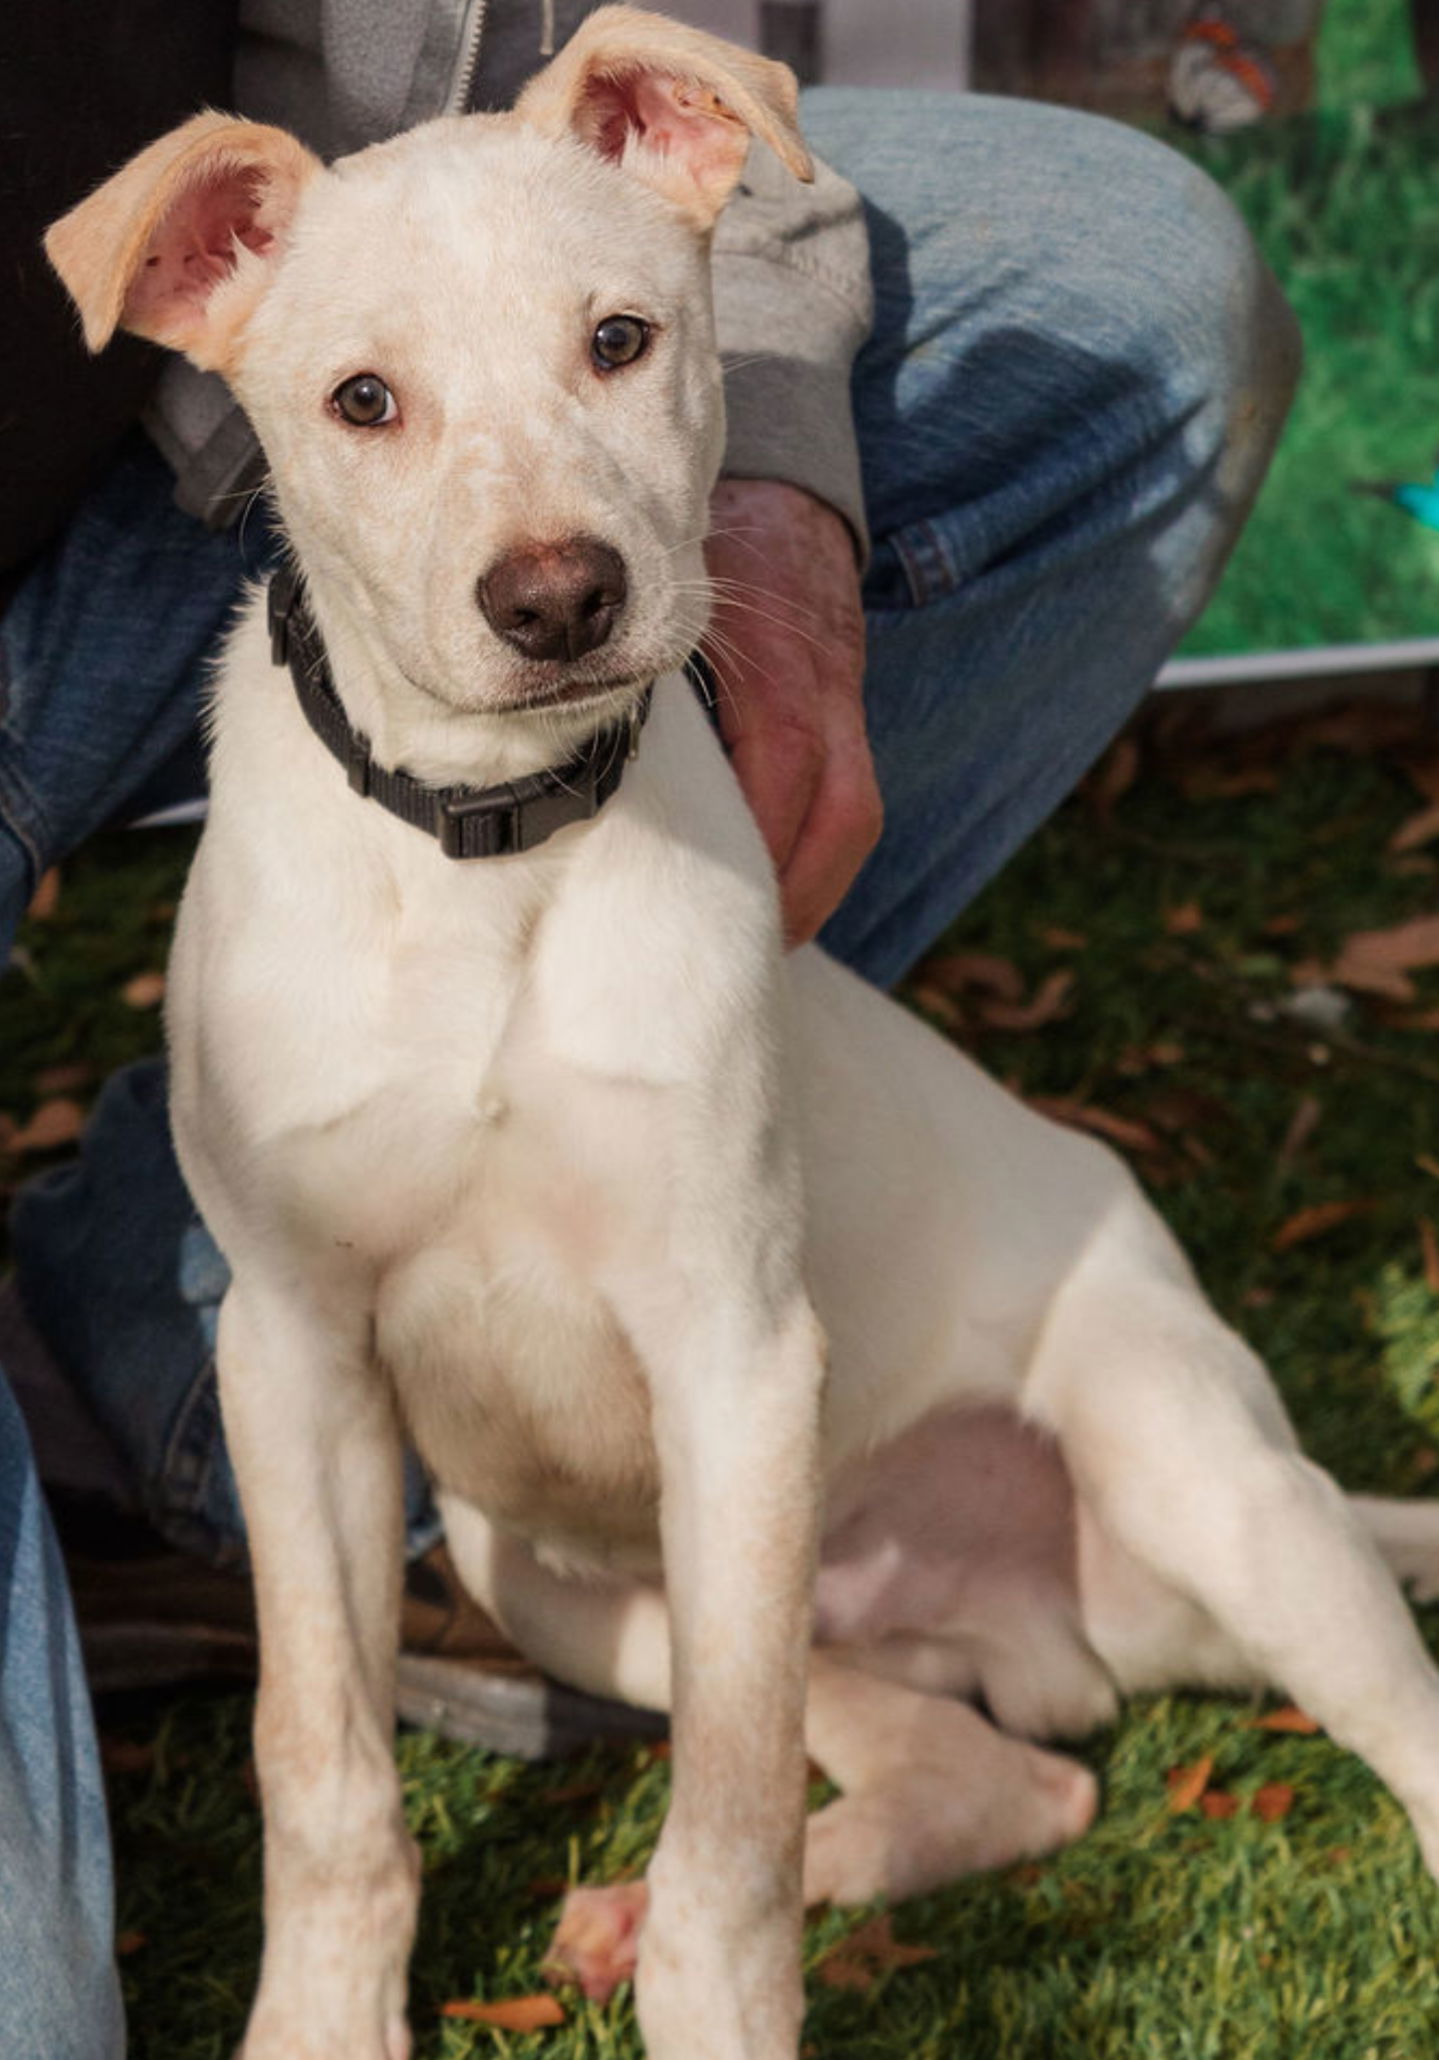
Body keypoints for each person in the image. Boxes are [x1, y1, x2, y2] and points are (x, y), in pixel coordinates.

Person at [0, 3, 1301, 2052]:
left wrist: (775, 486)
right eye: (379, 403)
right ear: (202, 277)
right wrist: (327, 1899)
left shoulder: (594, 227)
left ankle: (205, 1369)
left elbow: (643, 144)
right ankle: (257, 1574)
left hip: (210, 435)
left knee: (1134, 274)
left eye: (618, 350)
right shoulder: (226, 273)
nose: (548, 548)